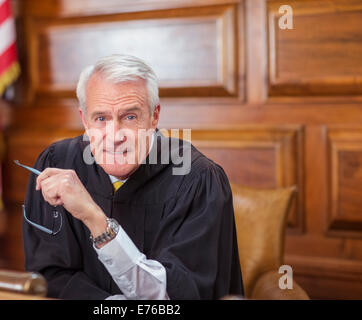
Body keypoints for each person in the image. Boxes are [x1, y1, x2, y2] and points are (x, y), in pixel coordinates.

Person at [22, 54, 244, 299]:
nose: (115, 136)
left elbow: (177, 297)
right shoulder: (57, 165)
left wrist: (95, 218)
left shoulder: (197, 180)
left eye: (130, 117)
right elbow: (48, 277)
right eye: (101, 118)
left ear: (154, 116)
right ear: (85, 120)